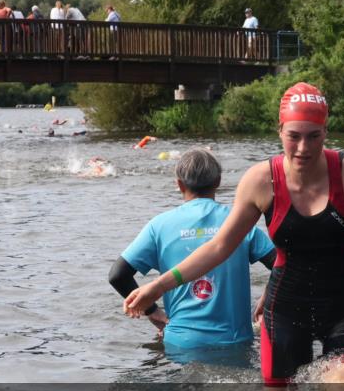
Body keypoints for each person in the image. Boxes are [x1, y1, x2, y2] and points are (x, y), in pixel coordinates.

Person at [124, 83, 344, 385]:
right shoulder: (261, 181)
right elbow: (220, 247)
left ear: (326, 132)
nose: (303, 148)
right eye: (294, 136)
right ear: (280, 131)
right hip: (286, 307)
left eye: (314, 136)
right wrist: (158, 286)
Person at [110, 149, 276, 354]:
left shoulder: (159, 226)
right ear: (218, 181)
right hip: (235, 341)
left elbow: (118, 275)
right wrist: (268, 297)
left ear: (179, 184)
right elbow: (281, 264)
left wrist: (152, 311)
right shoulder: (240, 221)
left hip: (180, 343)